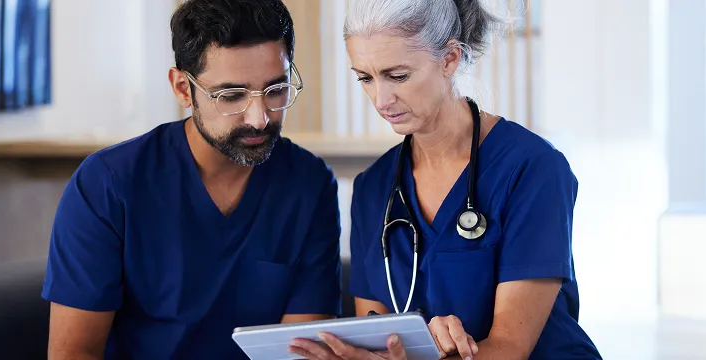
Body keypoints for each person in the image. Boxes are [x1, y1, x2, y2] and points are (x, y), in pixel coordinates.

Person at [290, 0, 602, 359]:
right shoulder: (373, 188)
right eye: (365, 77)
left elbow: (510, 348)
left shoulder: (532, 168)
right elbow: (378, 339)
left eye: (397, 75)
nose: (380, 98)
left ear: (449, 59)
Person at [41, 0, 342, 358]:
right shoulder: (107, 185)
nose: (260, 118)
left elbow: (297, 352)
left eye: (276, 90)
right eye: (232, 95)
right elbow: (74, 354)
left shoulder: (309, 184)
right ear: (183, 88)